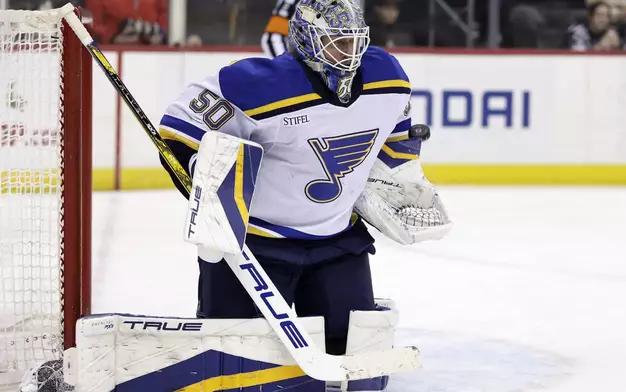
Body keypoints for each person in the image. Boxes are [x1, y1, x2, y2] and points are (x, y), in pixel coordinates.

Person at [158, 0, 450, 389]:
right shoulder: (255, 84)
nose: (348, 53)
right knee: (235, 368)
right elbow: (179, 132)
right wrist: (206, 180)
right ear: (306, 42)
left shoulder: (387, 76)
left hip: (337, 241)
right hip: (254, 246)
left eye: (353, 41)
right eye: (335, 43)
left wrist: (397, 171)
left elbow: (397, 132)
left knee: (358, 367)